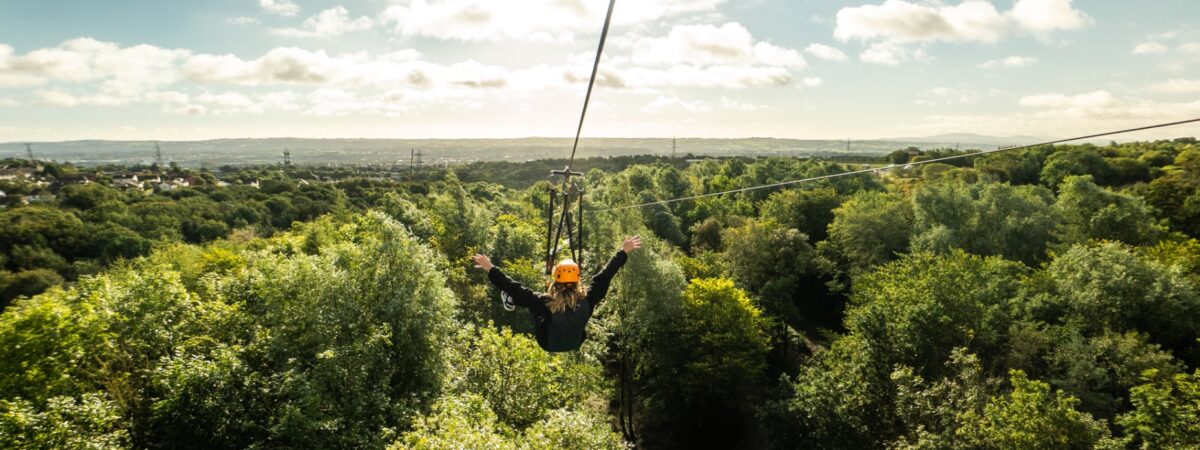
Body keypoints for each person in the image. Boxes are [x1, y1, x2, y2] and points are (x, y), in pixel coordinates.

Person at [472, 236, 642, 352]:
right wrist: (623, 251)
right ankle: (514, 299)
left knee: (530, 301)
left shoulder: (546, 302)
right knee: (532, 300)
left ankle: (512, 301)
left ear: (556, 280)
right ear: (577, 280)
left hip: (547, 343)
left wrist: (490, 268)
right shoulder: (589, 298)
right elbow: (605, 276)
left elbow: (514, 287)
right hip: (575, 342)